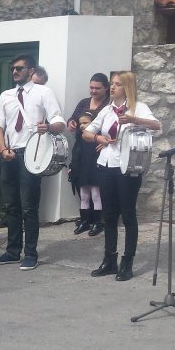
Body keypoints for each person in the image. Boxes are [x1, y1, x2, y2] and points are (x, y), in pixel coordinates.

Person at [0, 54, 66, 271]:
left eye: (19, 68)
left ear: (31, 71)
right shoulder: (6, 95)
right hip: (9, 153)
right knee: (11, 206)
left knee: (29, 207)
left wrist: (48, 127)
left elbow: (59, 121)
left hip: (32, 154)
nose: (14, 72)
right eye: (13, 68)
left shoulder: (43, 92)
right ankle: (12, 251)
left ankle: (30, 254)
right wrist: (3, 149)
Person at [81, 71, 160, 281]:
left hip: (128, 167)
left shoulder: (138, 107)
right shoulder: (107, 110)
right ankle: (109, 259)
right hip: (107, 164)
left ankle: (127, 261)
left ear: (127, 87)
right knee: (109, 215)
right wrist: (98, 137)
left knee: (128, 214)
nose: (113, 87)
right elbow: (86, 133)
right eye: (112, 83)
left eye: (118, 84)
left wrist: (134, 119)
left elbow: (156, 125)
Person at [67, 73, 110, 236]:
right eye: (91, 87)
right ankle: (86, 219)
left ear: (106, 88)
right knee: (83, 187)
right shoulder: (84, 103)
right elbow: (73, 118)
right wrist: (71, 122)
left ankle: (99, 220)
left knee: (97, 189)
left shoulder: (108, 104)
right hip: (82, 149)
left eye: (97, 88)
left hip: (97, 149)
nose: (93, 91)